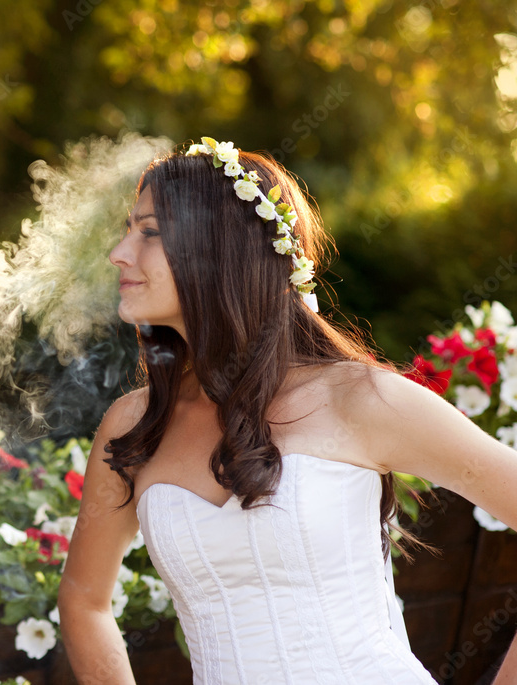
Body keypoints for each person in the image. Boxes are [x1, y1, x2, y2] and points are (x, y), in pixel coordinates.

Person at [56, 138, 517, 684]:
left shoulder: (361, 399)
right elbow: (84, 601)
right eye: (129, 229)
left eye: (149, 232)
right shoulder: (134, 425)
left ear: (220, 247)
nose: (120, 252)